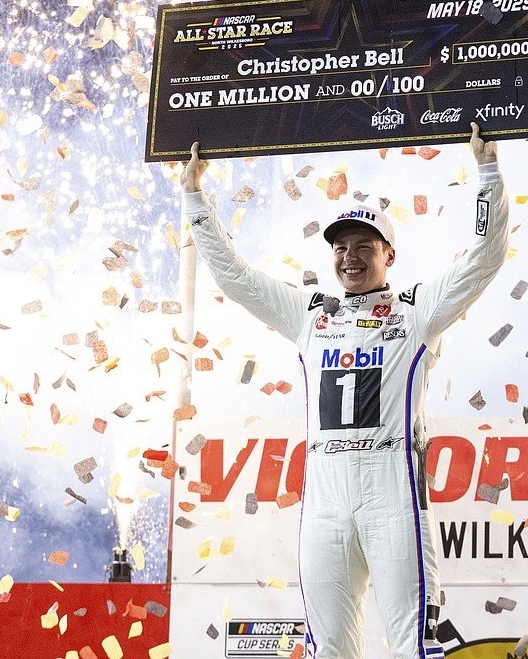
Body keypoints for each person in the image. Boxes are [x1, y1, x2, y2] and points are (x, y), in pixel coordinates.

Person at [180, 123, 508, 659]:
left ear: (389, 255)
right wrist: (194, 198)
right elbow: (235, 278)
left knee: (413, 647)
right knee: (329, 650)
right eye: (340, 247)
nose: (349, 256)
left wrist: (488, 172)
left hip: (392, 490)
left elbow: (484, 259)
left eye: (364, 246)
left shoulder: (417, 310)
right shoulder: (309, 313)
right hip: (325, 497)